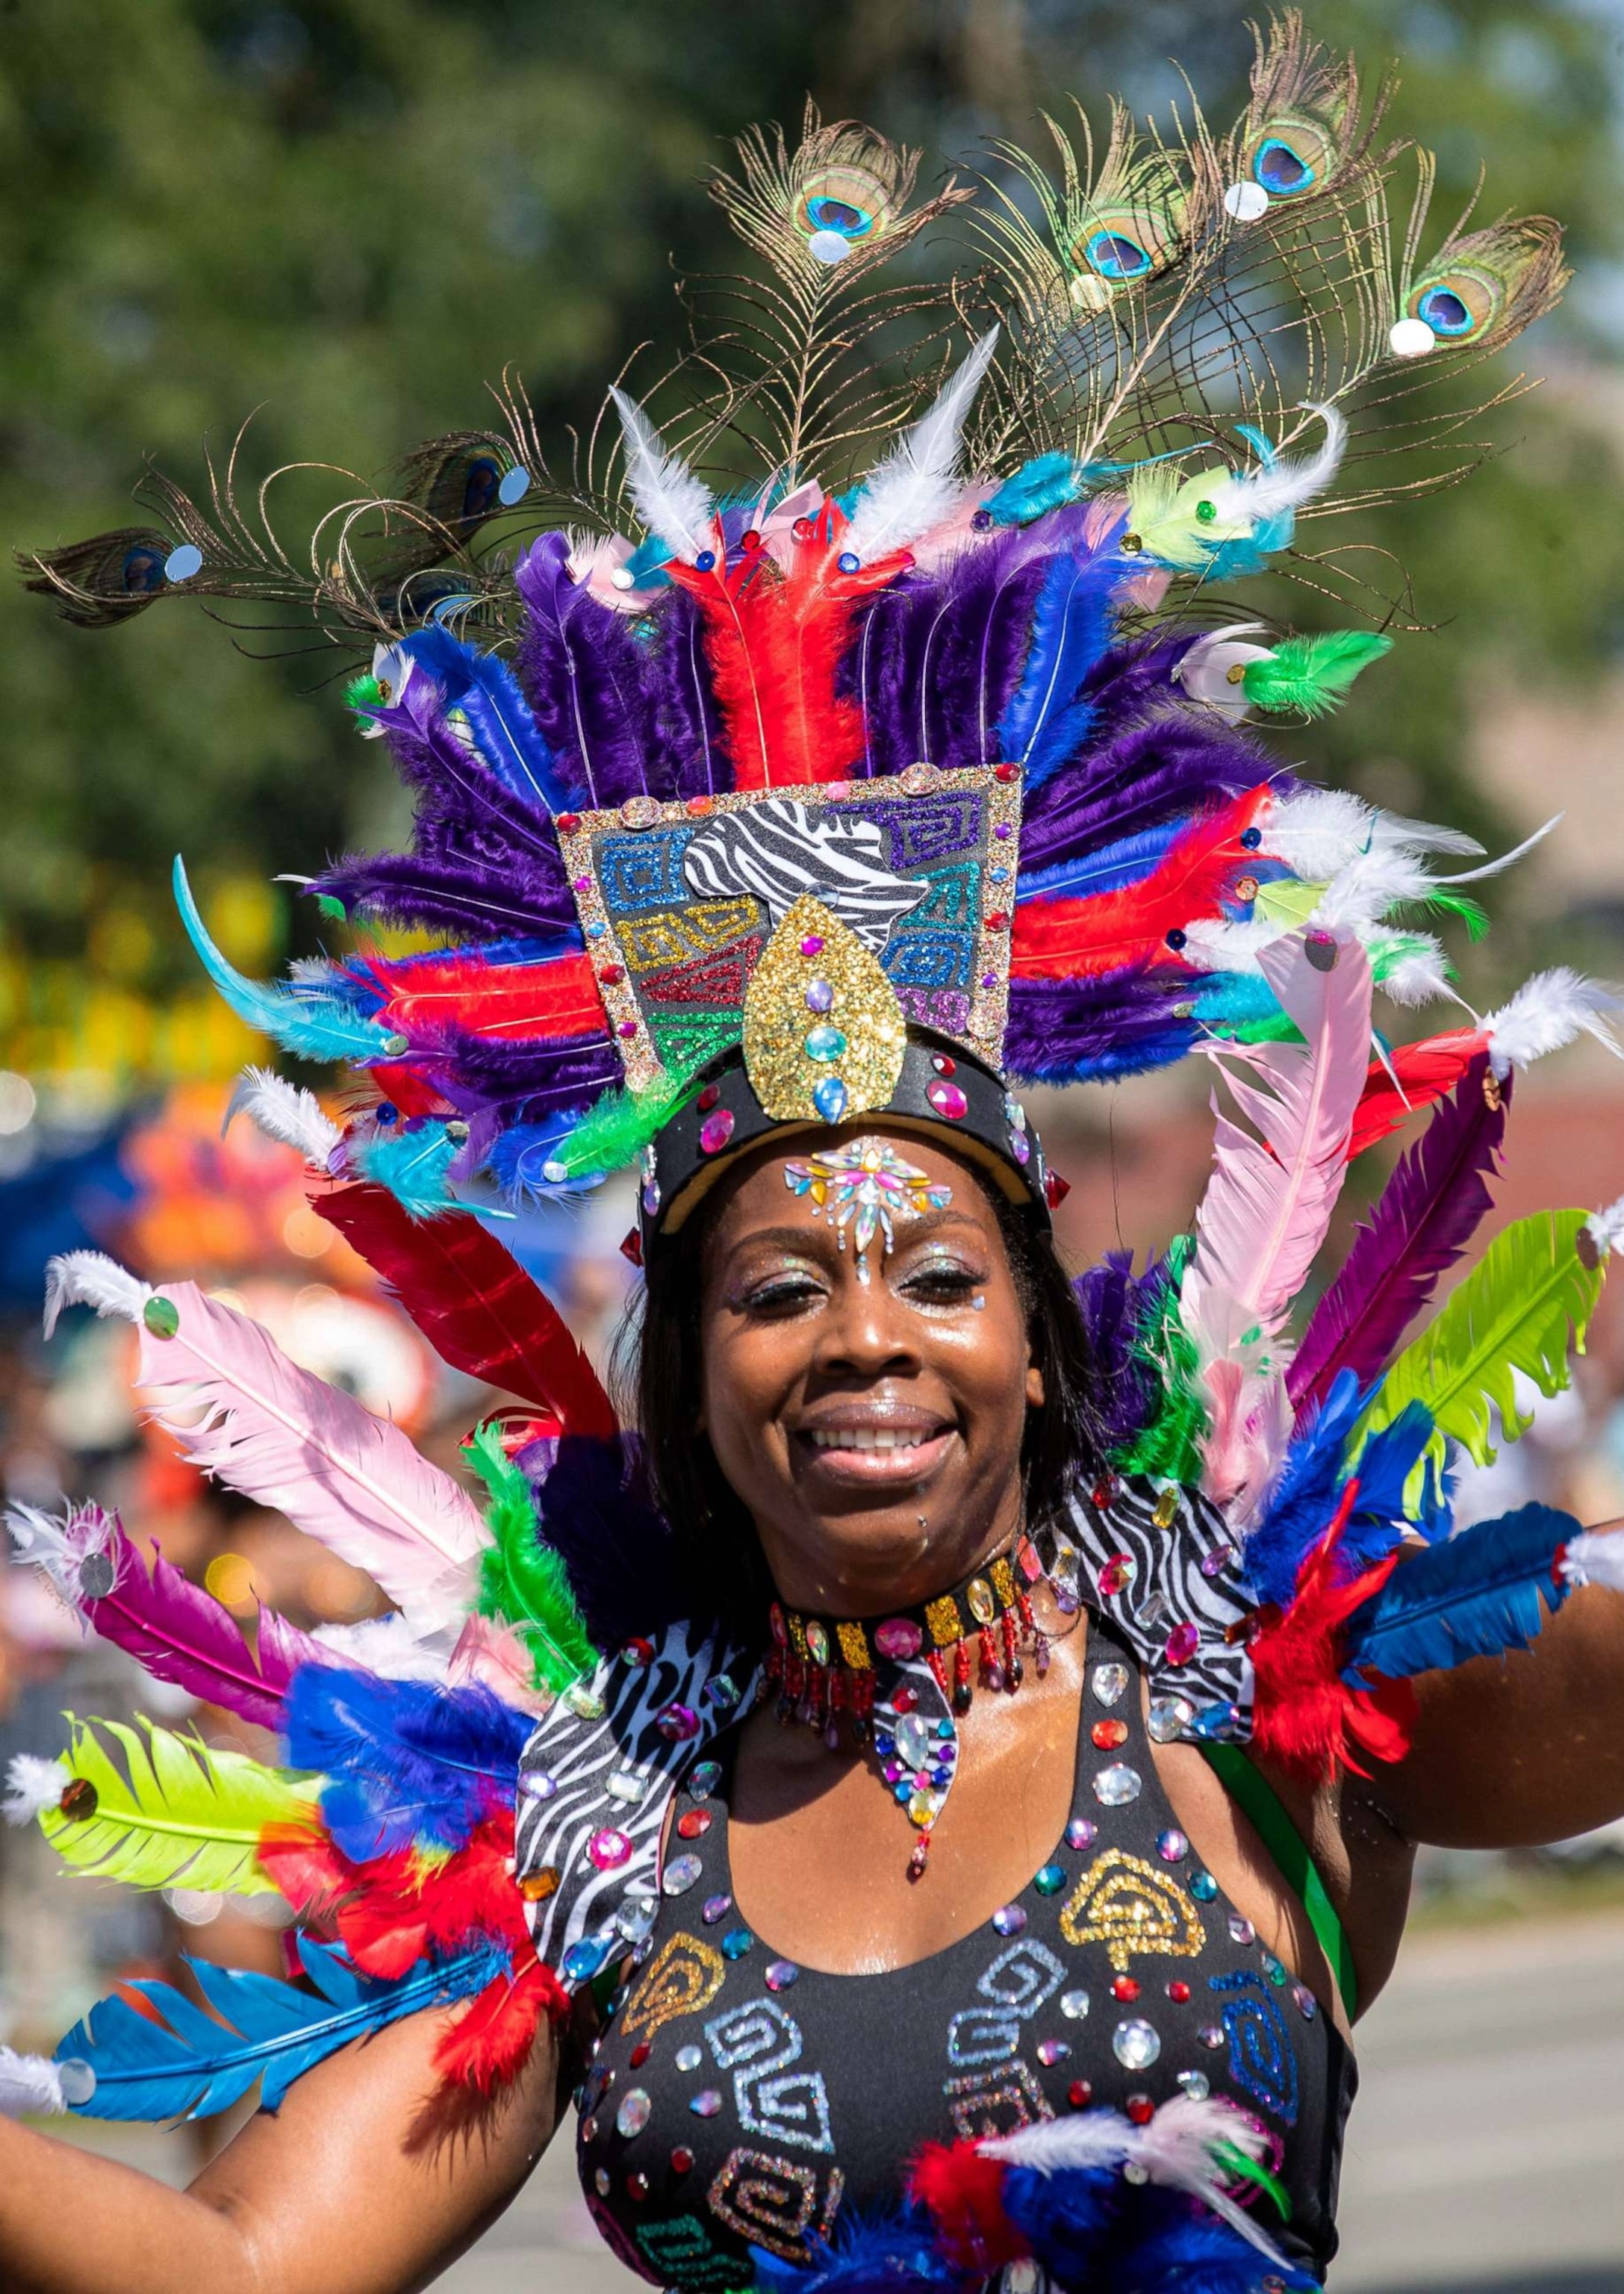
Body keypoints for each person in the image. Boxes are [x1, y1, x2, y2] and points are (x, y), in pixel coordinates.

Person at [5, 22, 1624, 2292]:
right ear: (689, 1372)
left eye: (939, 1281)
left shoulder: (1256, 1654)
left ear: (1045, 1342)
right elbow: (240, 2272)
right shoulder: (587, 1807)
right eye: (778, 1290)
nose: (867, 1334)